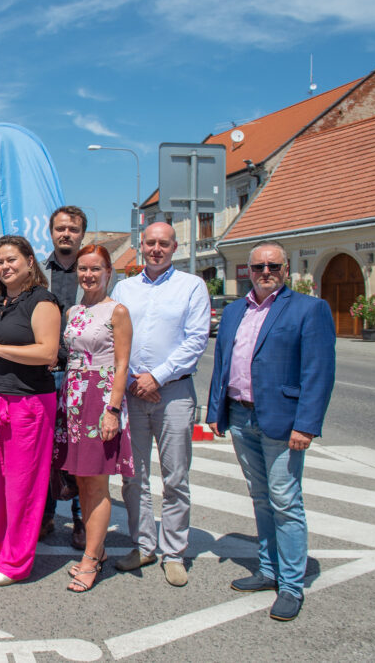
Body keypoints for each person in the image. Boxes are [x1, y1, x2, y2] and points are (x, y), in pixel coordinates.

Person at [207, 241, 336, 621]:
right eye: (258, 267)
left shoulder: (309, 309)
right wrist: (216, 411)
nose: (266, 272)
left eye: (273, 266)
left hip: (283, 421)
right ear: (248, 270)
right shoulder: (235, 311)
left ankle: (291, 585)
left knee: (285, 501)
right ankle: (268, 569)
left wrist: (306, 425)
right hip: (240, 416)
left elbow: (319, 372)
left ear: (286, 269)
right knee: (261, 498)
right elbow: (222, 362)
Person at [110, 222, 210, 587]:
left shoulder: (192, 286)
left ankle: (174, 553)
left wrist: (158, 376)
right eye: (150, 243)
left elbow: (196, 340)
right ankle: (143, 545)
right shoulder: (124, 288)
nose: (156, 249)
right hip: (133, 391)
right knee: (132, 476)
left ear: (174, 247)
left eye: (163, 244)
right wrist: (135, 380)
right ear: (141, 245)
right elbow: (114, 337)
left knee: (175, 477)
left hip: (174, 394)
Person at [0, 235, 60, 586]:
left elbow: (48, 353)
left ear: (29, 261)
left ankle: (17, 563)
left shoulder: (42, 301)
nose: (5, 266)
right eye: (0, 261)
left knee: (23, 487)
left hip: (29, 403)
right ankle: (3, 551)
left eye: (12, 259)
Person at [53, 244, 134, 592]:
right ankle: (96, 549)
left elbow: (122, 365)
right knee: (82, 481)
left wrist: (112, 411)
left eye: (95, 269)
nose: (88, 275)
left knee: (97, 482)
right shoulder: (73, 311)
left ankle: (90, 559)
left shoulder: (117, 311)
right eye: (83, 269)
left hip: (99, 399)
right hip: (72, 398)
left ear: (108, 272)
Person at [41, 205, 88, 550]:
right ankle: (44, 516)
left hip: (83, 373)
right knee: (43, 449)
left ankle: (81, 519)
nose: (66, 234)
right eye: (60, 228)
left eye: (72, 229)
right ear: (51, 232)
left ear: (82, 233)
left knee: (81, 449)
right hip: (45, 372)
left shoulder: (94, 269)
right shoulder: (37, 271)